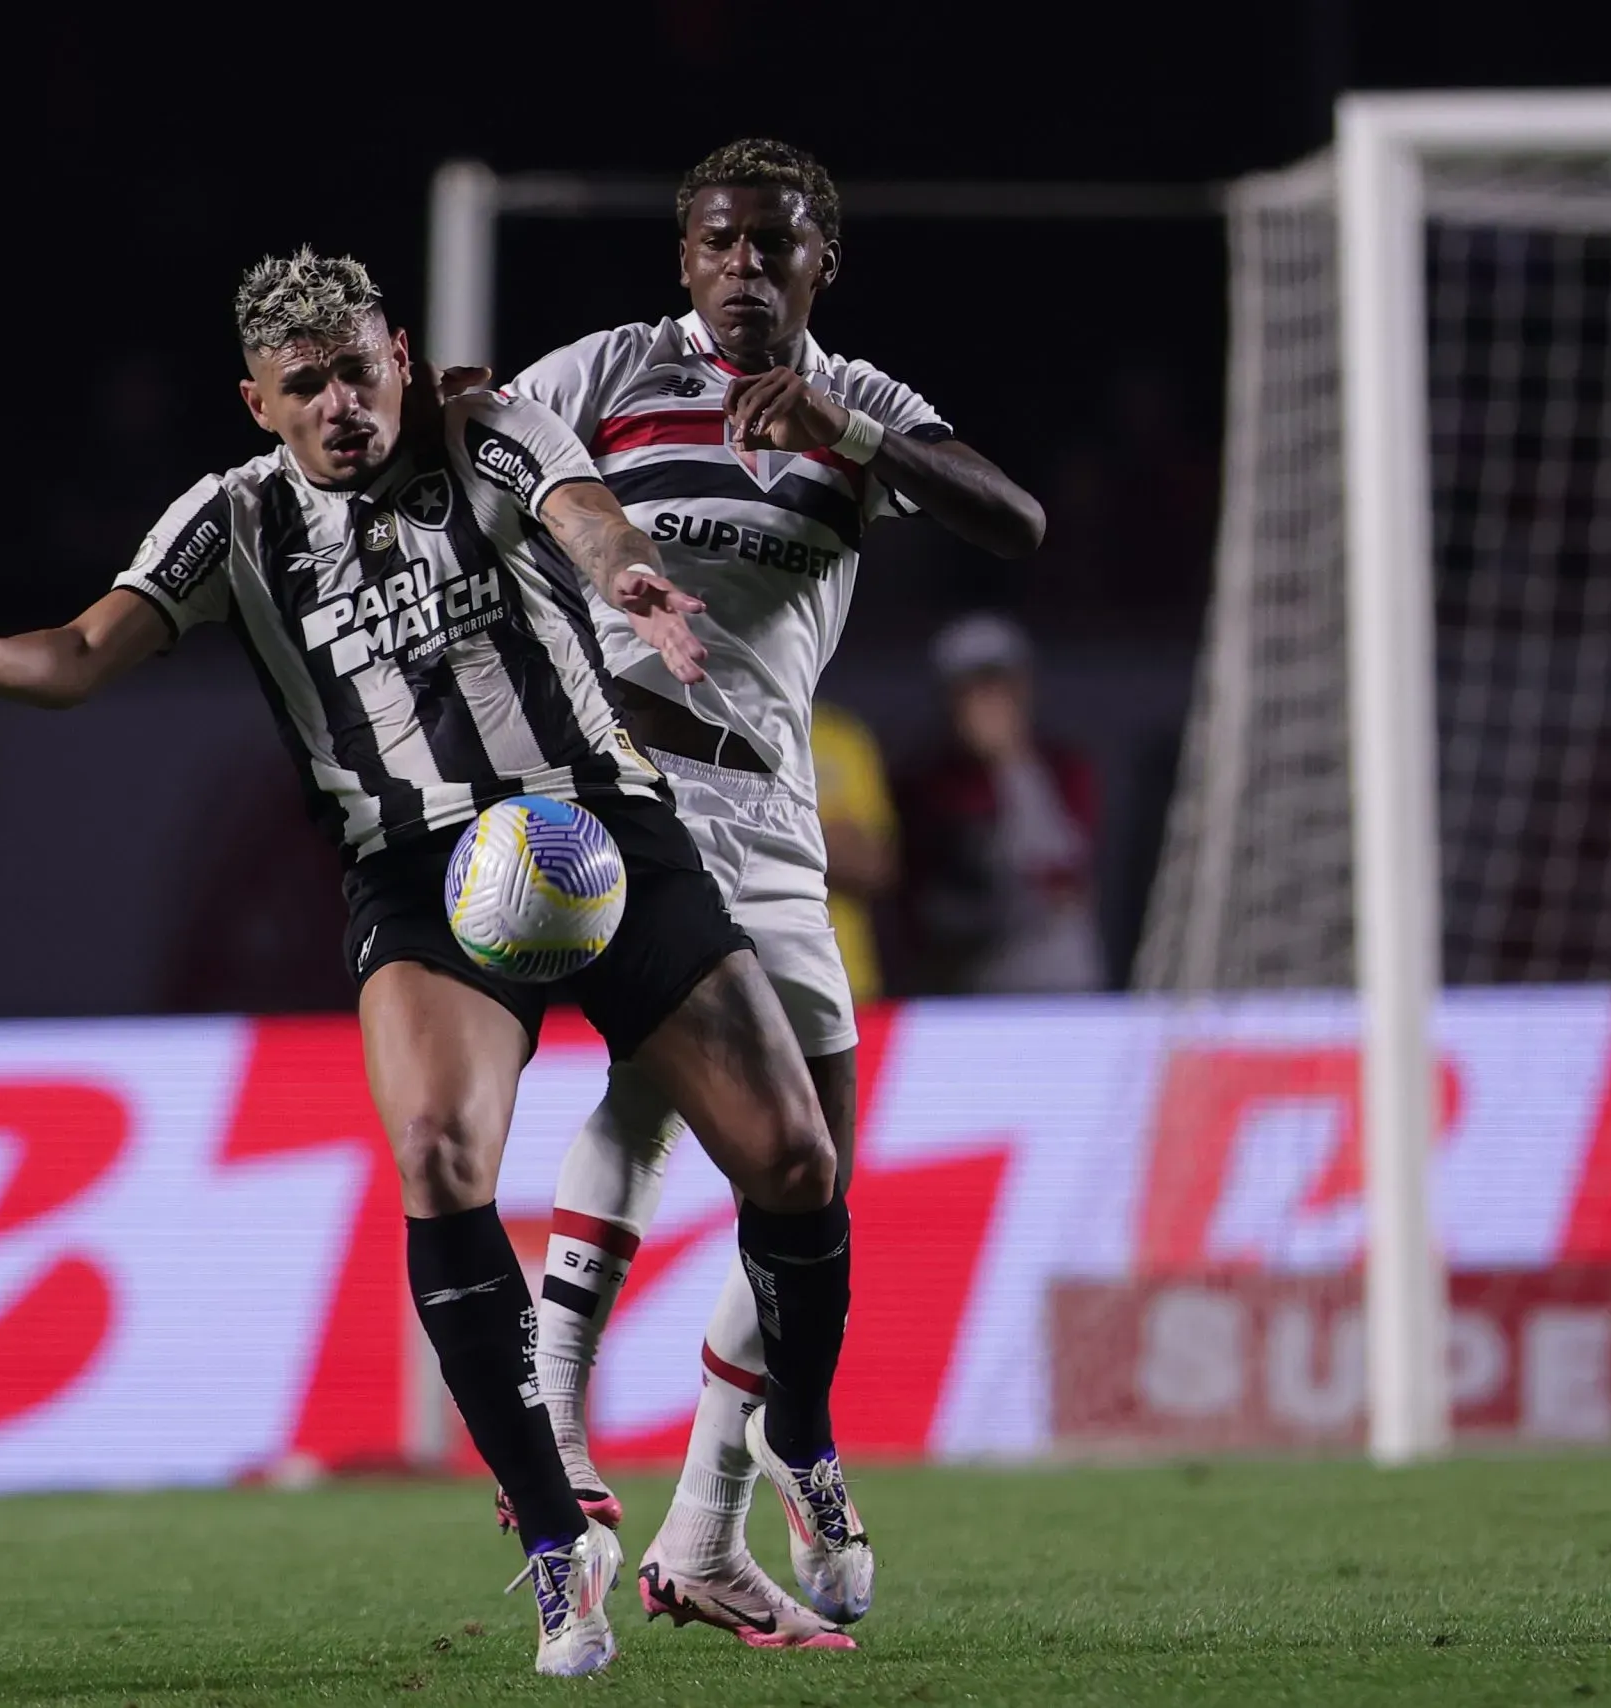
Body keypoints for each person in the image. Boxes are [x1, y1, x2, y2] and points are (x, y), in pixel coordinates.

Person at [0, 248, 865, 1680]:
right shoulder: (232, 519)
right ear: (258, 403)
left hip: (597, 828)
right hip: (424, 873)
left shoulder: (484, 427)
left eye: (357, 370)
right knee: (439, 1153)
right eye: (305, 385)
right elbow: (79, 650)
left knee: (797, 1160)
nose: (342, 405)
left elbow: (578, 510)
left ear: (399, 355)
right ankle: (553, 1538)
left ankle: (798, 1431)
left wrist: (627, 573)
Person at [457, 140, 1044, 1646]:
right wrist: (453, 414)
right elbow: (484, 442)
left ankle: (709, 1522)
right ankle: (566, 1427)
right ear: (685, 258)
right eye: (718, 242)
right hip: (627, 791)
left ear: (818, 264)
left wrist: (854, 432)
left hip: (773, 807)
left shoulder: (856, 402)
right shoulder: (614, 369)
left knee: (808, 1177)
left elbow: (1013, 520)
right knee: (662, 1090)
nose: (742, 268)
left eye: (772, 246)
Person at [901, 611, 1104, 993]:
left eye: (999, 687)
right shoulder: (927, 782)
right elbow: (939, 892)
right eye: (972, 691)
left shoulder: (1064, 768)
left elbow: (1067, 866)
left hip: (1065, 987)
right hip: (972, 991)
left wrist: (1009, 762)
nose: (989, 704)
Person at [809, 698, 900, 1004]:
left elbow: (875, 863)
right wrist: (825, 836)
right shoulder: (697, 730)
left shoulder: (840, 736)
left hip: (844, 982)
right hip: (735, 985)